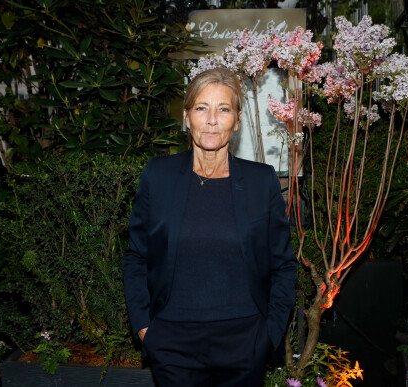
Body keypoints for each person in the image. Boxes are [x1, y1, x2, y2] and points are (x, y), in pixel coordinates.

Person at [122, 67, 298, 386]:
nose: (212, 120)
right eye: (202, 108)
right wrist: (145, 328)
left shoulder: (261, 181)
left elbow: (283, 266)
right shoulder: (157, 177)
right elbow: (136, 256)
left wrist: (269, 335)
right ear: (187, 117)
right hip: (172, 345)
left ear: (238, 120)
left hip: (245, 345)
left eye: (224, 109)